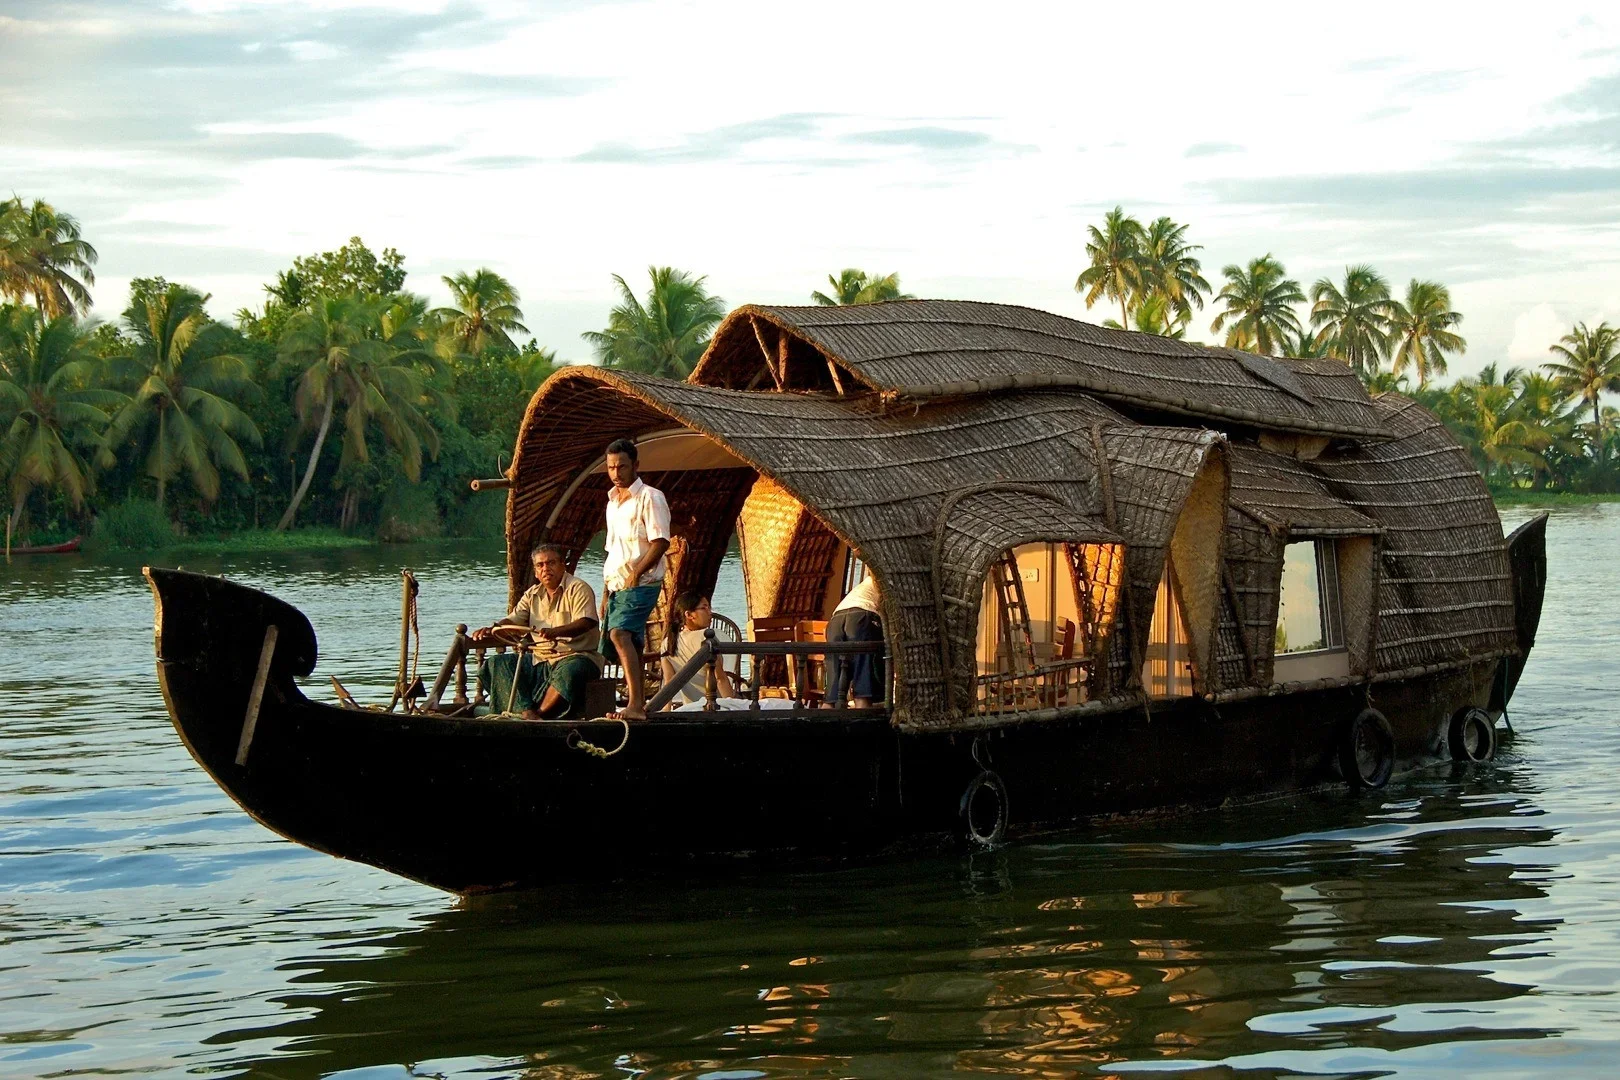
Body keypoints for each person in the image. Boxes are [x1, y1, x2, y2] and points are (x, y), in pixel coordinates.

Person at [472, 543, 604, 721]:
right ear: (535, 571)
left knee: (572, 669)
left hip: (577, 655)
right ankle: (525, 712)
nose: (545, 569)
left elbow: (586, 622)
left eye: (551, 563)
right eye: (540, 565)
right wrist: (493, 629)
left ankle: (539, 717)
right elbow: (513, 621)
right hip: (540, 659)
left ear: (562, 565)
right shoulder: (531, 594)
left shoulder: (578, 588)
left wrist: (555, 632)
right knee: (497, 662)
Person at [599, 437, 671, 720]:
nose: (616, 474)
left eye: (622, 467)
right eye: (611, 468)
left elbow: (660, 542)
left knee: (620, 634)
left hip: (642, 581)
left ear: (636, 466)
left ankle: (635, 705)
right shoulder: (612, 503)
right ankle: (638, 702)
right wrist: (606, 593)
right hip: (617, 583)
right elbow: (612, 551)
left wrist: (636, 573)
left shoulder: (651, 497)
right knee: (633, 641)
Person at [660, 591, 736, 708]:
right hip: (717, 706)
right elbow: (720, 678)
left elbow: (669, 684)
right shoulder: (706, 638)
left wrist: (665, 712)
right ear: (689, 615)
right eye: (704, 608)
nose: (710, 612)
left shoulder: (668, 643)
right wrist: (733, 707)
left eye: (709, 607)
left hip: (692, 708)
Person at [824, 569, 885, 708]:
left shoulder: (862, 587)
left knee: (832, 692)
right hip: (862, 617)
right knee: (864, 680)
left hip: (835, 620)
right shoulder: (884, 582)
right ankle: (864, 725)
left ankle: (824, 723)